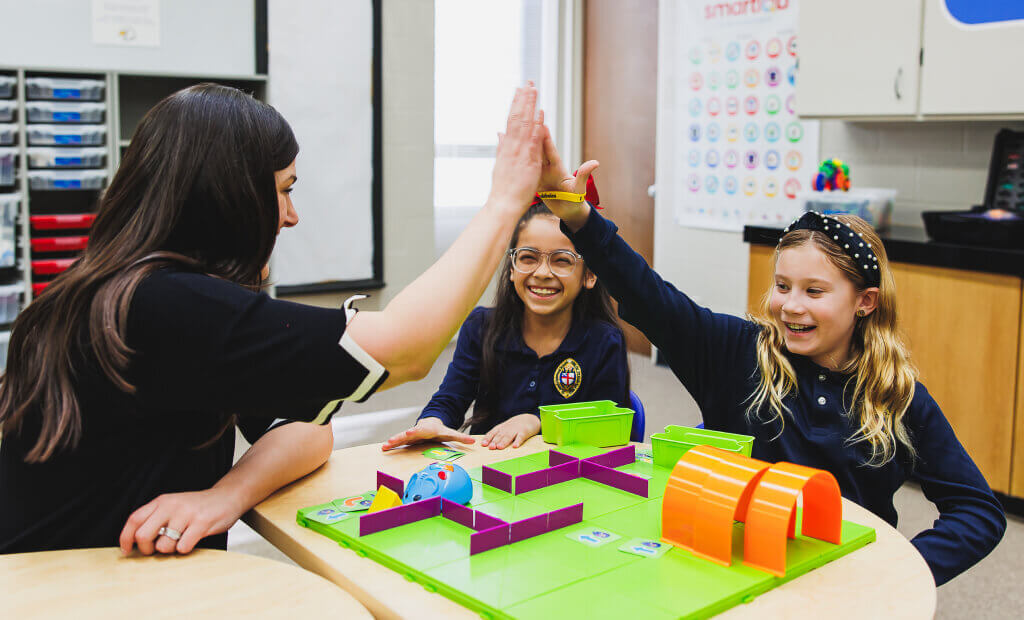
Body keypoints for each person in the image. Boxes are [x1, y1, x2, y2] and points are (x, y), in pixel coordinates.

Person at [0, 82, 546, 555]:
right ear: (228, 197)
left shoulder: (109, 292)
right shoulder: (165, 306)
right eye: (282, 190)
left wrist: (226, 495)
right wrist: (504, 201)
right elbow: (406, 349)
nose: (290, 215)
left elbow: (308, 431)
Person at [535, 131, 1006, 586]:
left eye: (814, 291)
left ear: (865, 302)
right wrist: (579, 217)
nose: (790, 305)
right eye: (782, 286)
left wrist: (901, 569)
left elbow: (977, 511)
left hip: (841, 587)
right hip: (733, 570)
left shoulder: (897, 396)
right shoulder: (735, 353)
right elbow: (650, 295)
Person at [382, 200, 629, 452]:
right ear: (512, 268)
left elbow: (606, 427)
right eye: (528, 257)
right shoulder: (481, 327)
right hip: (487, 471)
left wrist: (537, 421)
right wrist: (432, 421)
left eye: (562, 260)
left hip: (566, 475)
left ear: (590, 274)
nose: (542, 272)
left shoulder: (605, 340)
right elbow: (450, 398)